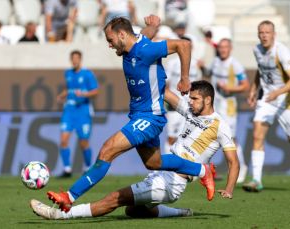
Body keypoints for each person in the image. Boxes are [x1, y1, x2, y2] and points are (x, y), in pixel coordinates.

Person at [45, 15, 216, 213]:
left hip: (149, 117)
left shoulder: (146, 50)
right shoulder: (135, 43)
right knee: (155, 163)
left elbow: (183, 45)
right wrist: (153, 25)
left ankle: (69, 196)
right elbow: (146, 33)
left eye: (110, 40)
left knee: (107, 149)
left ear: (122, 35)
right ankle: (203, 171)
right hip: (139, 115)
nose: (110, 45)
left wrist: (185, 78)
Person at [31, 80, 239, 220]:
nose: (190, 102)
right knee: (133, 210)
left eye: (194, 99)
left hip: (174, 180)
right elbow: (165, 92)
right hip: (161, 170)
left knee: (115, 198)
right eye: (190, 98)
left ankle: (59, 215)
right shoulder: (192, 112)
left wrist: (229, 188)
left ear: (208, 100)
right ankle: (179, 212)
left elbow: (233, 161)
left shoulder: (220, 125)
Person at [243, 20, 290, 192]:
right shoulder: (257, 50)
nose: (264, 35)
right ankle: (256, 180)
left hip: (285, 99)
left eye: (267, 32)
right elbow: (260, 70)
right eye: (261, 32)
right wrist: (253, 90)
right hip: (267, 99)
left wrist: (277, 93)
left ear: (274, 34)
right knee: (257, 135)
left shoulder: (282, 51)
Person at [207, 38, 250, 183]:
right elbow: (208, 73)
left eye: (226, 47)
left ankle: (241, 167)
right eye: (221, 47)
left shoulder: (235, 65)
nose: (223, 50)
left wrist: (229, 88)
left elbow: (245, 85)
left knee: (230, 138)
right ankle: (204, 169)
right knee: (209, 135)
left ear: (230, 48)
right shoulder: (215, 62)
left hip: (229, 107)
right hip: (215, 106)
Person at [57, 50, 99, 177]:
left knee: (83, 142)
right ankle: (67, 169)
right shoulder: (68, 73)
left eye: (77, 58)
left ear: (80, 59)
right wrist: (62, 95)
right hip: (69, 111)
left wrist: (84, 94)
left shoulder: (87, 74)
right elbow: (69, 89)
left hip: (83, 111)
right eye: (73, 58)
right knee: (63, 140)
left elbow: (96, 91)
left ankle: (88, 167)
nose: (75, 61)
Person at [164, 36, 201, 154]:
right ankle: (166, 168)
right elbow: (166, 85)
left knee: (189, 139)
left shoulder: (197, 64)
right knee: (172, 137)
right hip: (174, 105)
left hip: (191, 106)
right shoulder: (171, 63)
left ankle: (184, 170)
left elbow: (199, 87)